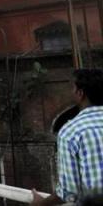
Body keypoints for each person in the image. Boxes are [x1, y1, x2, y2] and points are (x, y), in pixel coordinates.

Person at [31, 68, 103, 205]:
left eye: (73, 88)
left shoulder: (72, 131)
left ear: (80, 93)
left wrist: (41, 203)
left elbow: (69, 192)